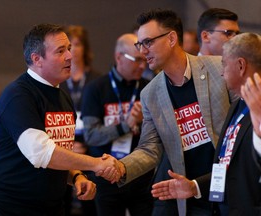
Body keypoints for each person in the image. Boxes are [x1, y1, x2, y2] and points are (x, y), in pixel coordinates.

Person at [99, 9, 238, 216]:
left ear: (172, 38)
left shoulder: (218, 68)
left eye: (148, 42)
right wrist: (121, 167)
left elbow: (245, 122)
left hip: (229, 185)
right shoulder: (150, 94)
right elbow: (149, 148)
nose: (142, 51)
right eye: (139, 45)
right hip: (187, 194)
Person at [0, 23, 121, 216]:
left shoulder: (63, 97)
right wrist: (96, 164)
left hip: (47, 206)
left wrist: (77, 176)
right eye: (61, 51)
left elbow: (61, 153)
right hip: (5, 205)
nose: (70, 55)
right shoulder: (18, 95)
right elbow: (41, 153)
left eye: (69, 48)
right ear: (37, 59)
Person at [151, 32, 261, 215]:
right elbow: (229, 168)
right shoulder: (238, 105)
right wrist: (194, 187)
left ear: (241, 66)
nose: (221, 71)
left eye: (225, 64)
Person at [81, 33, 154, 216]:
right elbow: (91, 135)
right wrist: (125, 125)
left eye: (144, 59)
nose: (142, 65)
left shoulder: (149, 88)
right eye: (136, 60)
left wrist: (144, 119)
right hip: (106, 177)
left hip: (141, 177)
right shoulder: (96, 88)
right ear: (119, 57)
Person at [60, 25, 99, 216]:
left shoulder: (97, 79)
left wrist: (83, 144)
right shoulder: (57, 81)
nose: (72, 50)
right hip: (64, 144)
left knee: (90, 202)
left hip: (90, 145)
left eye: (76, 44)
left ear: (85, 47)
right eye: (68, 46)